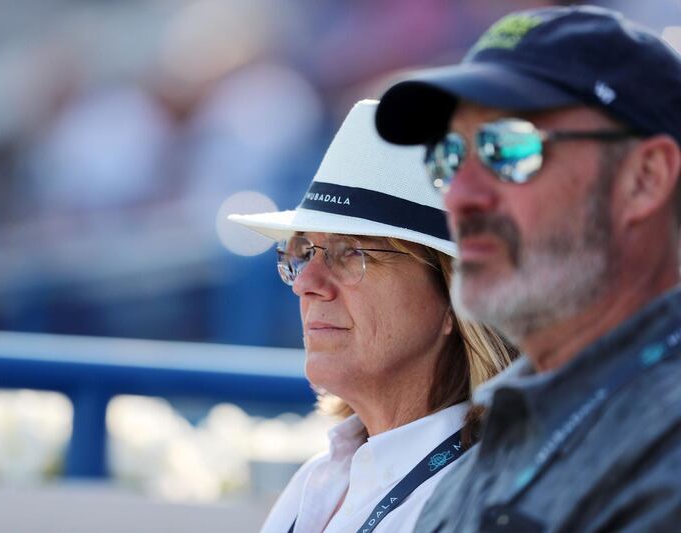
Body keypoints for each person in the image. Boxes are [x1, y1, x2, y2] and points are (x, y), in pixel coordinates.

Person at [374, 5, 681, 531]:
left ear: (645, 178)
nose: (461, 196)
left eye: (509, 147)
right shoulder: (488, 450)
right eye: (448, 157)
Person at [229, 100, 514, 532]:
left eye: (351, 254)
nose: (307, 282)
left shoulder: (481, 503)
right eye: (303, 252)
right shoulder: (318, 478)